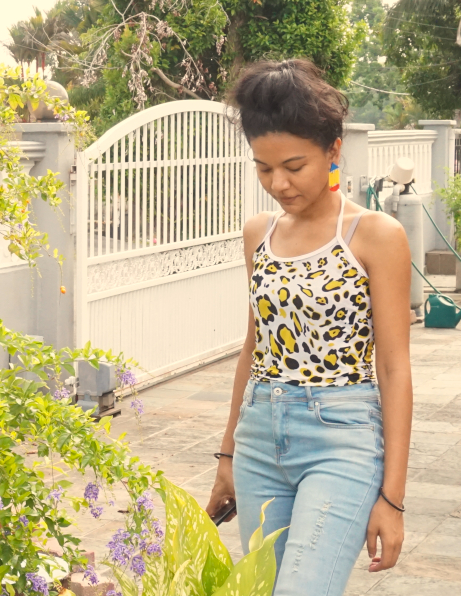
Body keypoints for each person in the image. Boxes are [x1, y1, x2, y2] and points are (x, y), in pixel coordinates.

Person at [205, 59, 412, 596]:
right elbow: (254, 349)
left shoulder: (376, 236)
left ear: (334, 150)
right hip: (258, 441)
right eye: (264, 168)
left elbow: (394, 367)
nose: (279, 183)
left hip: (341, 438)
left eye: (294, 165)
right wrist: (227, 457)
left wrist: (392, 498)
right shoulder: (258, 234)